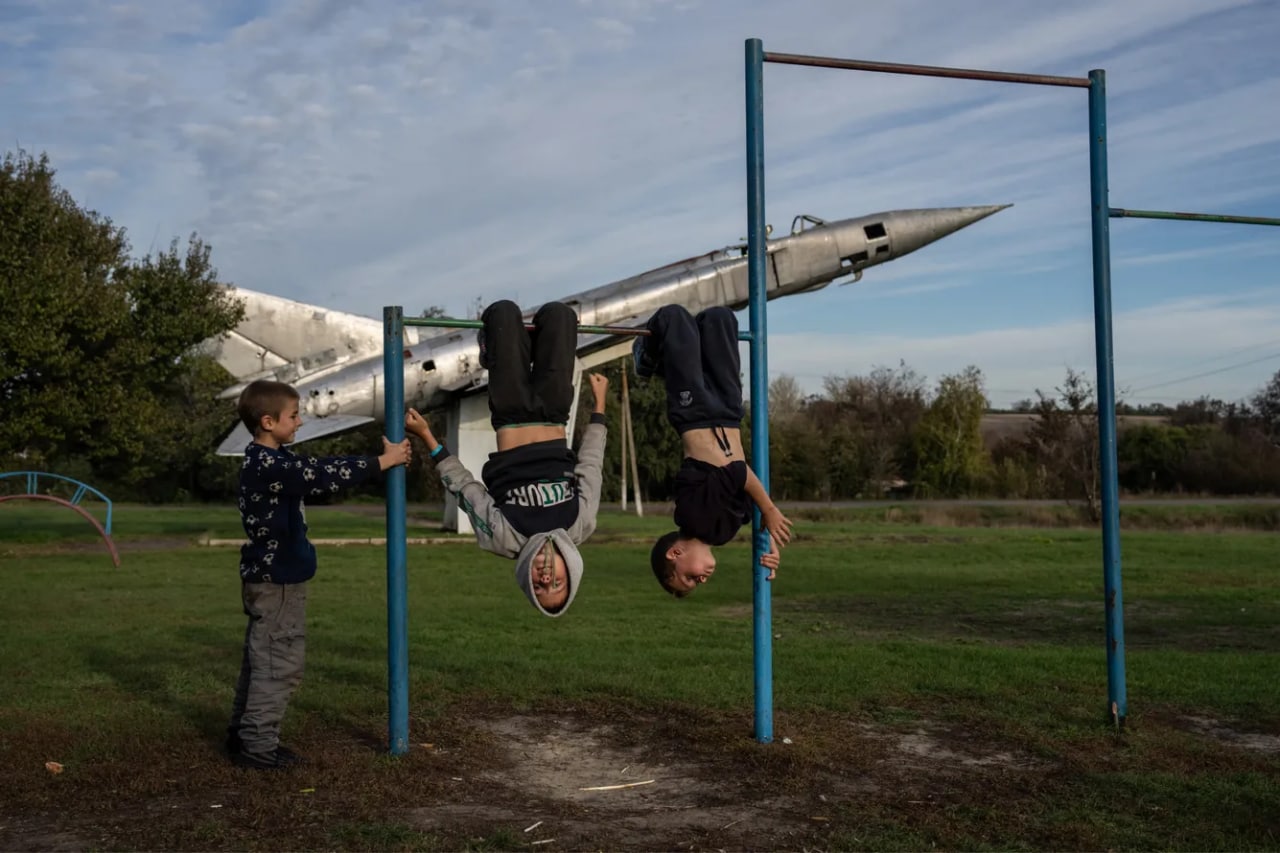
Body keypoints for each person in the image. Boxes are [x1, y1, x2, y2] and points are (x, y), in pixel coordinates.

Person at [226, 378, 412, 770]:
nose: (300, 422)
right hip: (277, 583)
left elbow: (317, 469)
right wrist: (383, 462)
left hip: (271, 578)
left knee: (262, 660)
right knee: (279, 664)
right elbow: (323, 473)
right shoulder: (269, 466)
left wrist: (379, 461)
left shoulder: (272, 461)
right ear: (267, 421)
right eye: (293, 416)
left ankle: (244, 735)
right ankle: (257, 747)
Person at [405, 299, 608, 617]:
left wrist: (428, 436)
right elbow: (591, 465)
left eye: (540, 587)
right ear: (570, 571)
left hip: (510, 414)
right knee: (560, 315)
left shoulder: (503, 539)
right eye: (557, 584)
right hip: (554, 412)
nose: (546, 578)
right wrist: (599, 407)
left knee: (502, 313)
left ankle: (493, 350)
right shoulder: (580, 525)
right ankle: (523, 345)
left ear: (528, 581)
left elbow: (464, 489)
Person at [633, 304, 793, 597]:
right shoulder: (722, 532)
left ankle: (646, 358)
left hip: (693, 413)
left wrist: (770, 510)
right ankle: (703, 328)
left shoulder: (693, 518)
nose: (702, 580)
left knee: (674, 317)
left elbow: (737, 472)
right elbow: (747, 497)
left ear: (675, 554)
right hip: (728, 413)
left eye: (689, 579)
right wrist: (766, 536)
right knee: (720, 319)